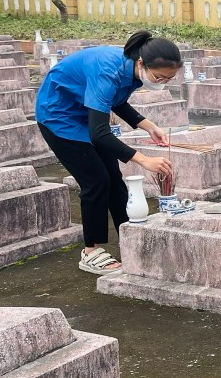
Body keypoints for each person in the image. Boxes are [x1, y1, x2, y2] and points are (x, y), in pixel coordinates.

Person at [35, 31, 182, 274]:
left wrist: (148, 126)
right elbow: (99, 134)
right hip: (58, 116)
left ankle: (129, 234)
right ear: (142, 63)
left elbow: (115, 101)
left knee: (114, 177)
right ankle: (90, 251)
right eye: (159, 77)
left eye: (168, 79)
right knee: (96, 180)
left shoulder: (131, 69)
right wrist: (143, 160)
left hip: (85, 114)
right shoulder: (108, 70)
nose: (161, 82)